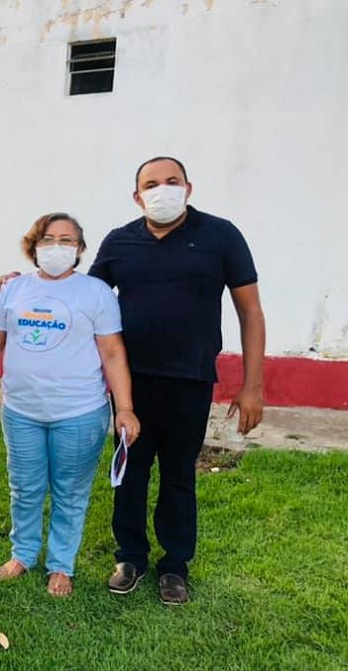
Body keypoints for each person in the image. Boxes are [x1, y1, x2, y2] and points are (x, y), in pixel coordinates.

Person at [89, 157, 265, 604]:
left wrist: (253, 384)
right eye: (151, 184)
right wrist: (22, 282)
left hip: (191, 379)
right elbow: (82, 299)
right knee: (130, 472)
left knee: (178, 474)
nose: (161, 189)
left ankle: (175, 565)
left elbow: (251, 311)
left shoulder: (220, 236)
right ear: (137, 196)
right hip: (131, 384)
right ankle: (130, 556)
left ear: (188, 187)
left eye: (171, 181)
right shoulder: (119, 242)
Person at [0, 213, 139, 597]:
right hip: (22, 412)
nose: (57, 247)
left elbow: (113, 354)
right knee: (25, 488)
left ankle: (61, 565)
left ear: (79, 249)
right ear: (34, 245)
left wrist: (124, 408)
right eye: (48, 238)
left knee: (70, 492)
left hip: (80, 414)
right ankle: (23, 553)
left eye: (67, 240)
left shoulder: (96, 293)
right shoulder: (12, 291)